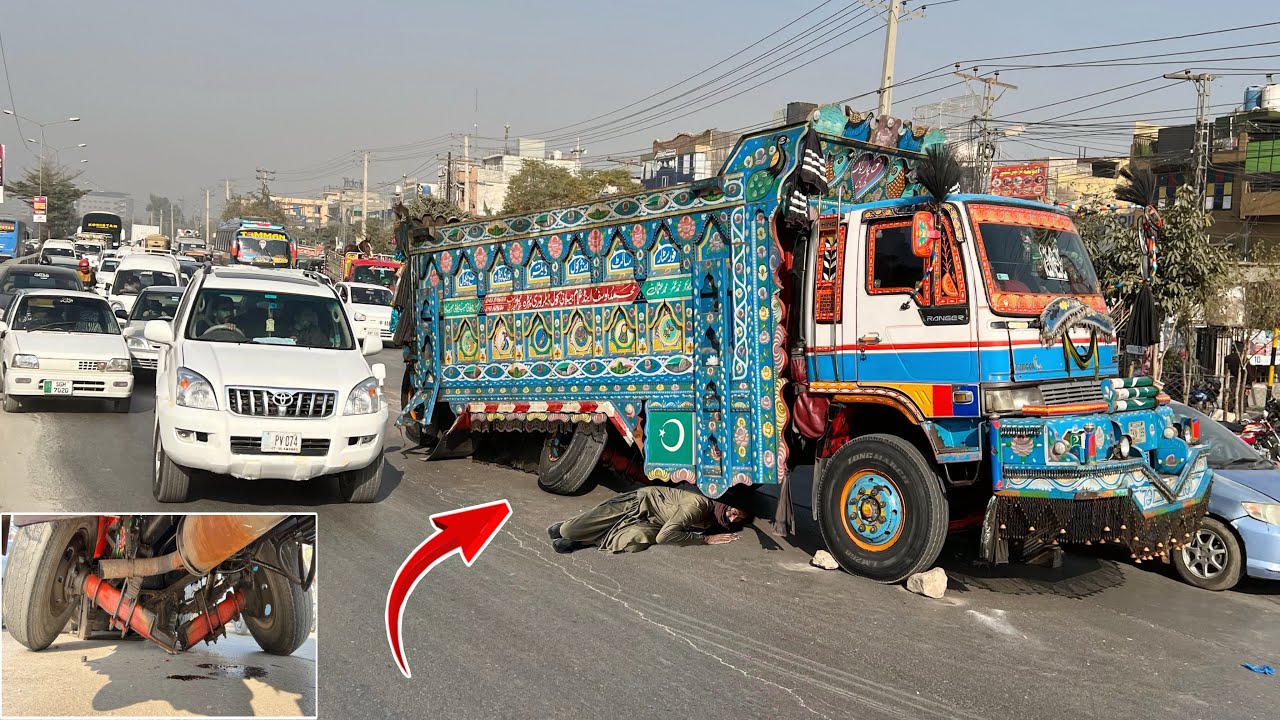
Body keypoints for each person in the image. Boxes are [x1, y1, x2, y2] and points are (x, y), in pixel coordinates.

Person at [547, 486, 751, 554]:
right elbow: (666, 537)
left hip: (653, 522)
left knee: (636, 539)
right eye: (734, 512)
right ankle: (570, 528)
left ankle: (583, 543)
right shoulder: (698, 505)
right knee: (567, 530)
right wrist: (705, 541)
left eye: (737, 519)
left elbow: (661, 534)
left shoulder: (710, 521)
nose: (732, 518)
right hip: (637, 504)